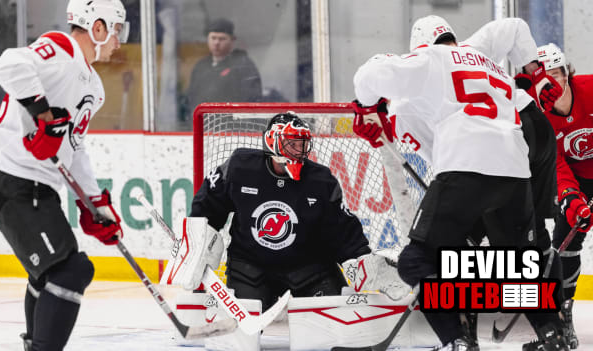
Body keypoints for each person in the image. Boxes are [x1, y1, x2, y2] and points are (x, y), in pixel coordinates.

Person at [352, 15, 568, 351]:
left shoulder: (428, 60)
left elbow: (368, 74)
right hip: (516, 165)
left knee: (419, 261)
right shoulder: (482, 57)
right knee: (521, 265)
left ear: (420, 46)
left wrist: (367, 107)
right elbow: (513, 26)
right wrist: (535, 72)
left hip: (465, 169)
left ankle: (457, 339)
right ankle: (553, 334)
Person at [0, 0, 128, 349]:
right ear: (98, 28)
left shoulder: (95, 87)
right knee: (70, 270)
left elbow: (73, 147)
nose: (119, 41)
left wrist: (94, 204)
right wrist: (42, 113)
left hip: (37, 185)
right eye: (116, 30)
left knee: (49, 272)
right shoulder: (60, 48)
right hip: (10, 176)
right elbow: (8, 64)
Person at [188, 112, 396, 311]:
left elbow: (342, 230)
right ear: (273, 142)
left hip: (310, 268)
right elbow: (208, 206)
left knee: (334, 322)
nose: (299, 150)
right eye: (292, 144)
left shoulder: (320, 180)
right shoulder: (240, 168)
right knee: (242, 336)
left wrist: (358, 259)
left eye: (302, 144)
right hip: (250, 268)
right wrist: (196, 242)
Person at [533, 42, 593, 349]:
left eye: (557, 74)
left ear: (566, 73)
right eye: (545, 77)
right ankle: (563, 313)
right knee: (565, 243)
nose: (552, 83)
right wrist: (571, 196)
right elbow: (554, 162)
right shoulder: (539, 117)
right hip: (577, 179)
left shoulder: (591, 88)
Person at [184, 18, 262, 119]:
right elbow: (191, 99)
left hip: (231, 127)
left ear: (232, 40)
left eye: (222, 39)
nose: (216, 43)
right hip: (202, 126)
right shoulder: (200, 66)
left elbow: (251, 99)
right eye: (213, 38)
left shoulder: (243, 65)